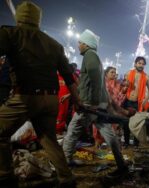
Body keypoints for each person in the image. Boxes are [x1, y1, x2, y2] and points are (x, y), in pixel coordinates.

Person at [0, 1, 81, 187]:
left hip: (26, 97)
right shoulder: (54, 44)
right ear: (38, 20)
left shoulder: (10, 33)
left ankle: (5, 175)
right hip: (51, 99)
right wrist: (77, 101)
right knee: (48, 139)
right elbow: (69, 77)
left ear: (19, 17)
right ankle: (67, 178)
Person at [62, 29, 128, 177]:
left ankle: (65, 161)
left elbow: (96, 82)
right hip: (97, 103)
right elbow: (87, 83)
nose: (78, 45)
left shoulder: (90, 56)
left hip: (90, 104)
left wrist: (91, 103)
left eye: (80, 43)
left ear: (86, 44)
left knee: (73, 130)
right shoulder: (93, 56)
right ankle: (121, 164)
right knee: (109, 134)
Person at [123, 56, 149, 147]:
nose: (141, 65)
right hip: (127, 100)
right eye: (139, 63)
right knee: (126, 122)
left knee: (137, 123)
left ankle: (136, 143)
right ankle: (126, 142)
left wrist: (146, 100)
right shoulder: (128, 73)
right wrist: (125, 86)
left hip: (138, 103)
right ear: (135, 63)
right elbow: (123, 88)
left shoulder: (146, 77)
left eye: (143, 64)